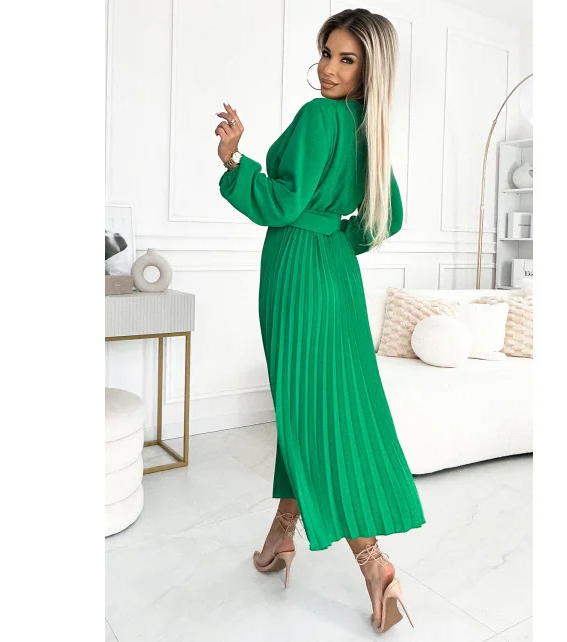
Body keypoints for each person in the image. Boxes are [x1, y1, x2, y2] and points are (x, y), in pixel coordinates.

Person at [215, 8, 425, 634]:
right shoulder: (367, 127)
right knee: (311, 404)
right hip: (336, 273)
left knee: (312, 410)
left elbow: (281, 204)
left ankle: (374, 564)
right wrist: (335, 239)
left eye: (346, 59)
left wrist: (234, 162)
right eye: (327, 53)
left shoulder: (318, 116)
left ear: (369, 69)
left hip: (296, 272)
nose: (329, 69)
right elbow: (388, 217)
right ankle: (283, 532)